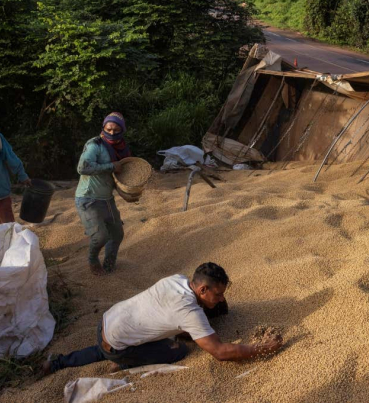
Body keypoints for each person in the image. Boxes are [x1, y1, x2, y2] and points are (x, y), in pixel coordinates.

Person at [42, 262, 283, 375]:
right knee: (178, 349)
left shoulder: (176, 278)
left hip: (107, 322)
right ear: (202, 291)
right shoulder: (189, 312)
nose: (220, 299)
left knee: (104, 347)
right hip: (120, 345)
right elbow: (220, 352)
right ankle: (126, 362)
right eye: (217, 295)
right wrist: (262, 349)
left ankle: (58, 363)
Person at [75, 112, 132, 275]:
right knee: (100, 236)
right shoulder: (95, 145)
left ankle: (109, 264)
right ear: (103, 128)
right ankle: (93, 260)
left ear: (122, 130)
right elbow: (82, 168)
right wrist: (111, 166)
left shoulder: (122, 148)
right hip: (88, 198)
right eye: (108, 129)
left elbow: (122, 173)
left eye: (116, 130)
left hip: (107, 199)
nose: (112, 133)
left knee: (117, 234)